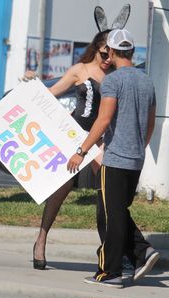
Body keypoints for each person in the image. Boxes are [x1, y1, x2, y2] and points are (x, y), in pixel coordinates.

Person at [67, 28, 160, 288]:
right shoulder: (147, 81)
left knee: (112, 216)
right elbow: (151, 123)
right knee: (113, 211)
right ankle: (143, 252)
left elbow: (103, 119)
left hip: (116, 158)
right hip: (136, 159)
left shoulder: (113, 81)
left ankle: (111, 272)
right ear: (131, 51)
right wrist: (140, 147)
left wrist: (81, 151)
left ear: (113, 51)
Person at [32, 29, 114, 270]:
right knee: (61, 189)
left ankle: (113, 250)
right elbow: (50, 93)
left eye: (112, 55)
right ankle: (41, 240)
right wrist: (29, 84)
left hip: (98, 138)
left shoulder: (115, 75)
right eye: (103, 54)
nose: (107, 59)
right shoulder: (79, 70)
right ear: (96, 47)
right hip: (73, 134)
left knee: (109, 191)